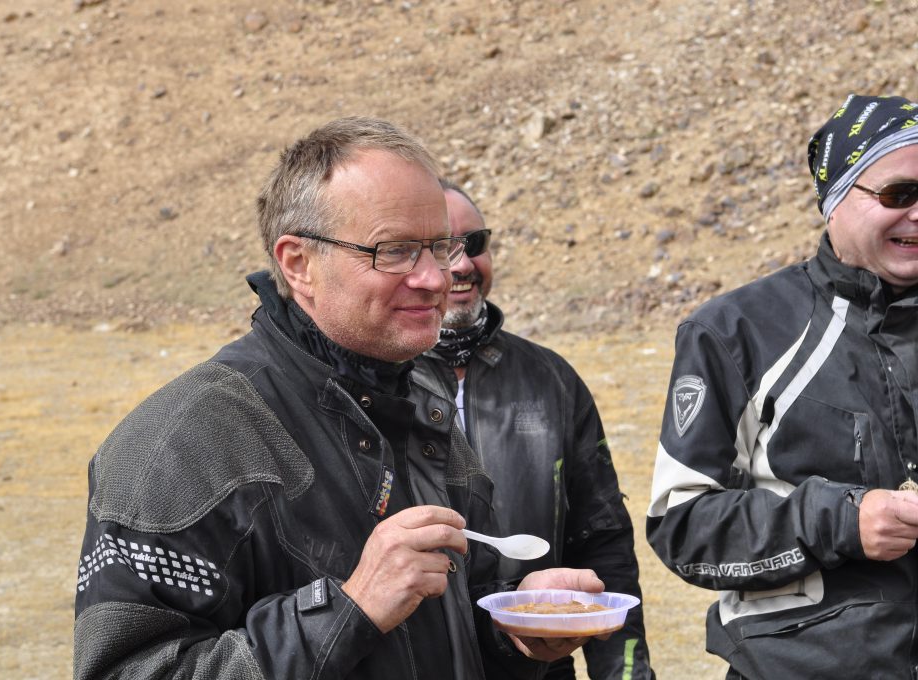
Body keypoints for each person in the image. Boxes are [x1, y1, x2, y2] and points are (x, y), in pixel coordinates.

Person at [72, 116, 607, 680]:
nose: (437, 276)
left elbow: (450, 616)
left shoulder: (421, 396)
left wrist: (513, 627)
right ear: (298, 263)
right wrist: (348, 610)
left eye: (440, 245)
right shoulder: (180, 443)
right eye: (395, 251)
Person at [646, 93, 918, 679]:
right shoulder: (736, 331)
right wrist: (844, 520)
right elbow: (683, 527)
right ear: (836, 200)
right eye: (900, 195)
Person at [411, 180, 654, 680]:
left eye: (474, 245)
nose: (461, 266)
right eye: (440, 249)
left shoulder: (551, 379)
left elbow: (604, 543)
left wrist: (627, 674)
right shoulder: (368, 385)